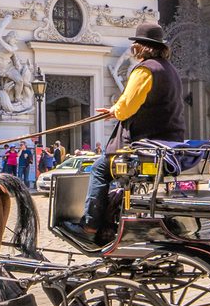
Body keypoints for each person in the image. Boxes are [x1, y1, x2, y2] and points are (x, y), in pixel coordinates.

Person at [74, 22, 185, 246]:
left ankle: (90, 225)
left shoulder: (145, 70)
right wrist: (115, 112)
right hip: (168, 144)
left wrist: (115, 111)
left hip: (144, 146)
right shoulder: (170, 70)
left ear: (143, 47)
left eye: (135, 43)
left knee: (99, 170)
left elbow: (126, 107)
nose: (133, 46)